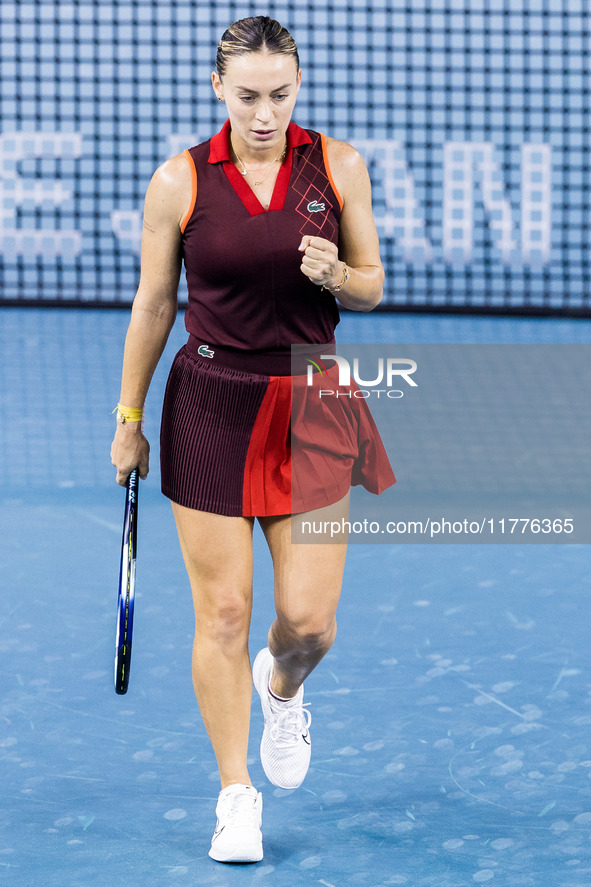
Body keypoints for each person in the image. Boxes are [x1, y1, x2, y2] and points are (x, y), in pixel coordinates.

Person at [110, 15, 395, 864]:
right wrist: (128, 420)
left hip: (312, 401)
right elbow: (154, 304)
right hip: (209, 403)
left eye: (279, 94)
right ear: (217, 91)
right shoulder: (181, 181)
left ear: (296, 86)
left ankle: (283, 689)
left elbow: (373, 286)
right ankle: (236, 796)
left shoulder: (338, 167)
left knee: (308, 623)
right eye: (247, 97)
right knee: (223, 611)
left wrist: (339, 276)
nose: (264, 112)